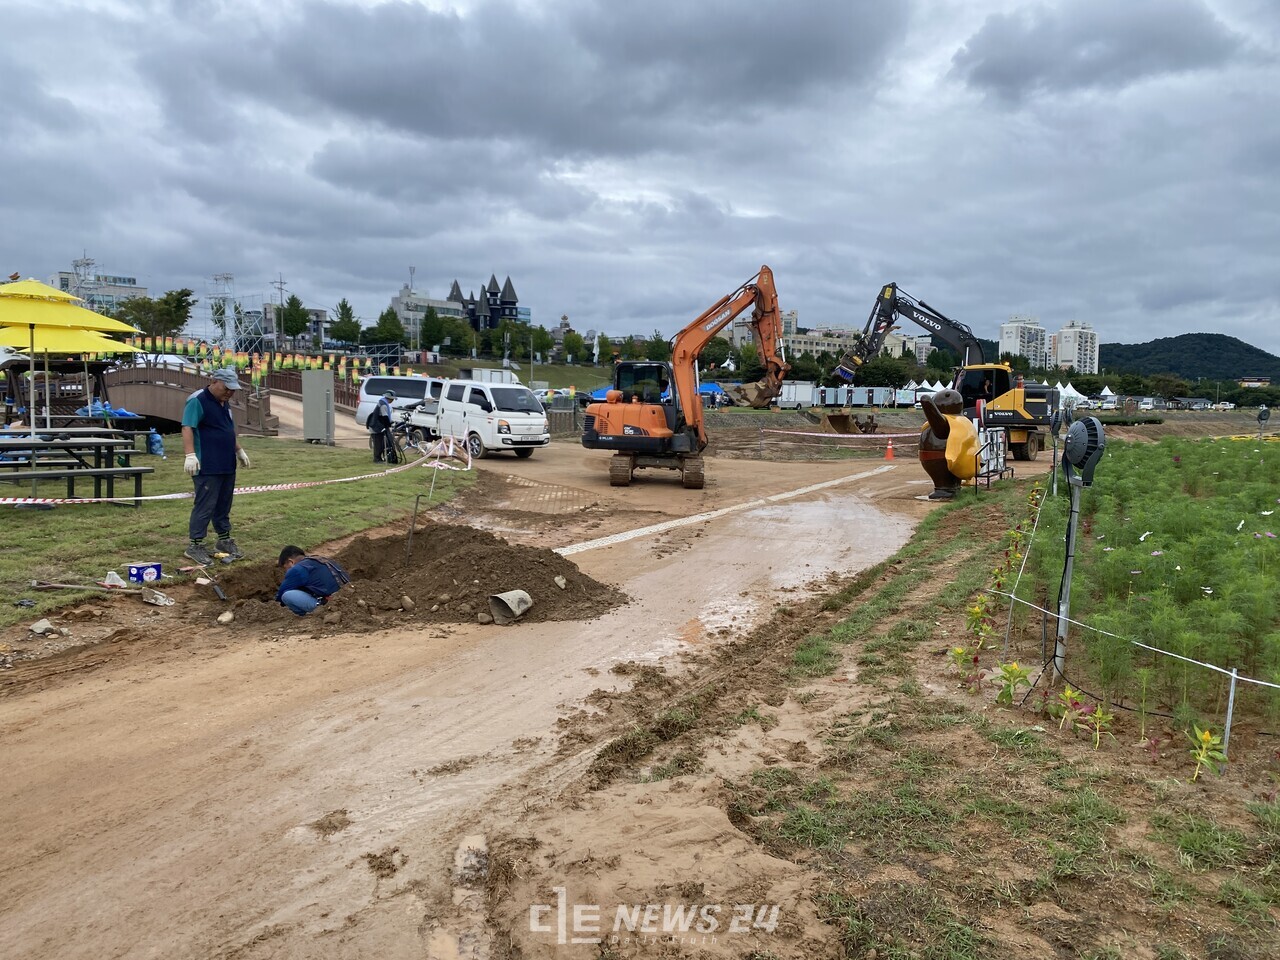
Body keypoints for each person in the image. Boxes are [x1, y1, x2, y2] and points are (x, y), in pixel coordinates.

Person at [182, 368, 251, 566]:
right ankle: (195, 545)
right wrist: (190, 454)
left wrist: (239, 450)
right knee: (205, 505)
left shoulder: (225, 403)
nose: (230, 392)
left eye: (233, 390)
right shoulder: (198, 400)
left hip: (226, 463)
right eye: (227, 388)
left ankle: (224, 540)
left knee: (223, 504)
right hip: (207, 464)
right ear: (214, 381)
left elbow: (227, 430)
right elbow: (187, 426)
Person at [275, 545, 347, 616]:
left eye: (285, 568)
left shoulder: (297, 569)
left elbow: (281, 594)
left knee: (286, 595)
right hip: (346, 599)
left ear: (291, 562)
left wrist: (274, 606)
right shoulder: (322, 559)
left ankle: (304, 615)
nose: (286, 571)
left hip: (328, 605)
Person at [369, 390, 399, 464]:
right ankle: (377, 459)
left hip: (379, 426)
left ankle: (379, 458)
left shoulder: (383, 403)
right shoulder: (383, 405)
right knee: (378, 444)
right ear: (389, 398)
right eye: (392, 399)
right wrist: (388, 424)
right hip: (376, 427)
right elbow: (385, 416)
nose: (392, 401)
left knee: (381, 443)